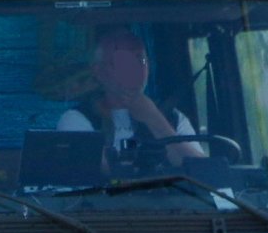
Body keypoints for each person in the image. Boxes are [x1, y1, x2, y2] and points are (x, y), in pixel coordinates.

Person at [56, 28, 206, 166]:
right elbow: (93, 169)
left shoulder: (173, 117)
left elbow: (201, 171)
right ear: (99, 71)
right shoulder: (77, 119)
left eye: (141, 60)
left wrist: (155, 119)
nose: (135, 69)